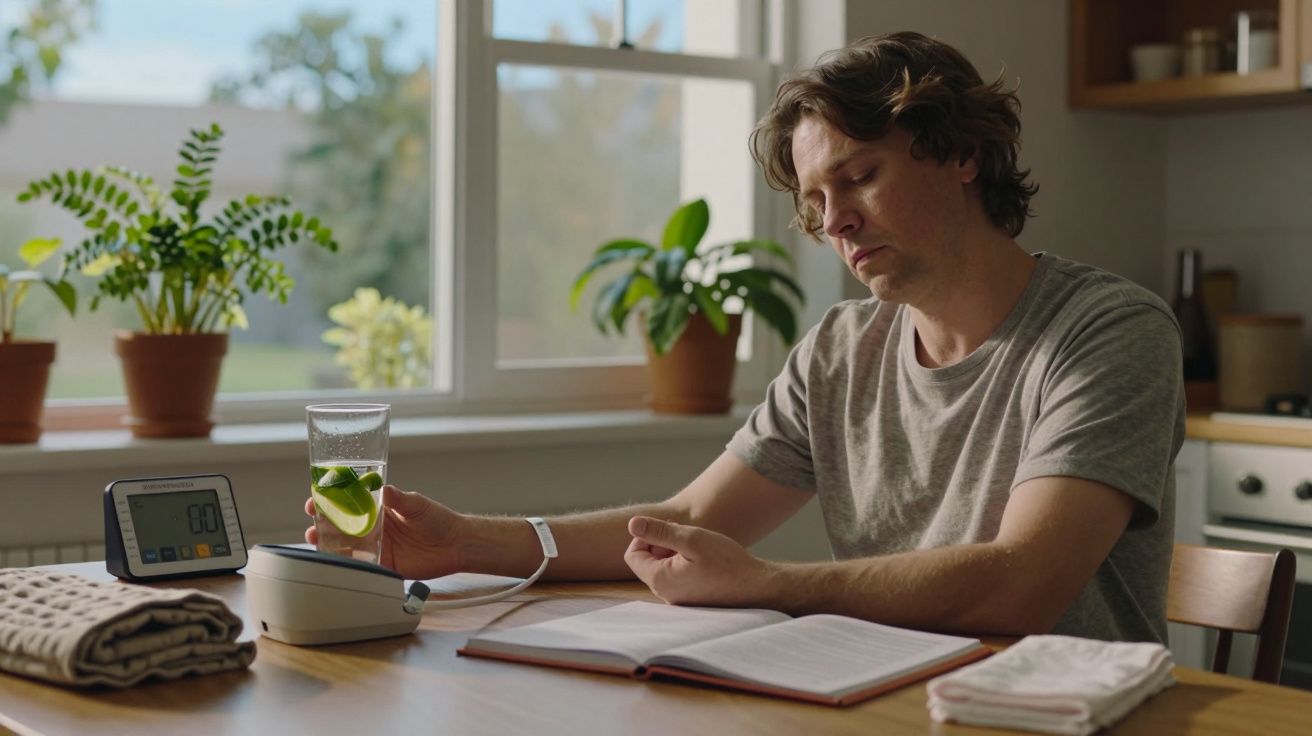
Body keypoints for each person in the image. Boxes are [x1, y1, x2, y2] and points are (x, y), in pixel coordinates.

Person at [305, 32, 1184, 643]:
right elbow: (688, 521)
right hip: (891, 702)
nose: (834, 221)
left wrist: (773, 586)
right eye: (814, 200)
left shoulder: (1108, 332)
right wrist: (464, 542)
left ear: (961, 154)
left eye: (860, 177)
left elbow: (1024, 582)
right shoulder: (842, 349)